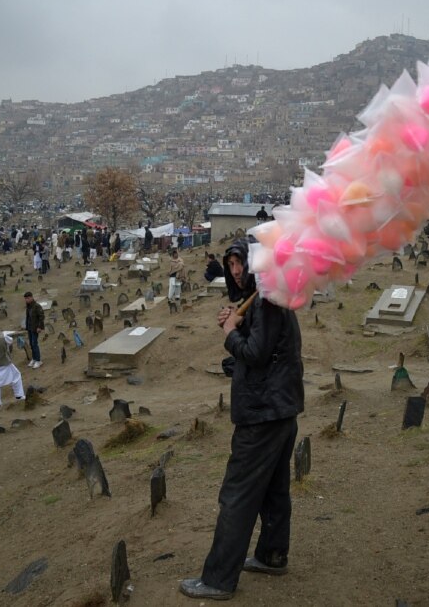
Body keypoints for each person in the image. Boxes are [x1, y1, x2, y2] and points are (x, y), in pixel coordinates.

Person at [180, 239, 304, 601]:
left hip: (262, 415)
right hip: (283, 409)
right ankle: (272, 554)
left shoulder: (266, 300)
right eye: (230, 264)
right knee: (274, 491)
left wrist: (230, 333)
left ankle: (218, 579)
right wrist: (237, 325)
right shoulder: (270, 295)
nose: (235, 270)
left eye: (240, 263)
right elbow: (265, 353)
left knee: (237, 494)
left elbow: (255, 351)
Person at [23, 292, 44, 368]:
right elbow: (28, 317)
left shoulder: (36, 306)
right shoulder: (28, 306)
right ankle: (34, 359)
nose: (26, 300)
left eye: (28, 298)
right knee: (31, 344)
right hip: (29, 328)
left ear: (31, 297)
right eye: (25, 299)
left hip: (35, 328)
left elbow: (41, 317)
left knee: (34, 344)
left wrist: (39, 327)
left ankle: (38, 360)